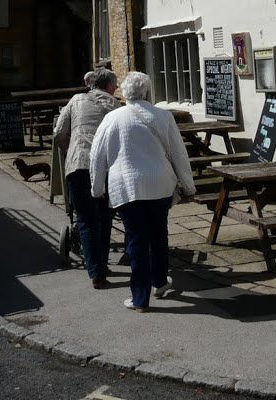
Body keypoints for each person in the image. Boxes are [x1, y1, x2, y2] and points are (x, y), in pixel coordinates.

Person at [89, 71, 196, 312]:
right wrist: (189, 187)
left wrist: (96, 189)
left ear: (124, 92)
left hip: (126, 186)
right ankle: (159, 281)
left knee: (136, 240)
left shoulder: (113, 118)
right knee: (159, 235)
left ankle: (140, 298)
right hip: (160, 185)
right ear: (147, 92)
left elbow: (97, 156)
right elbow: (179, 154)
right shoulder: (163, 116)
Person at [53, 68, 120, 289]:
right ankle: (101, 265)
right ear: (108, 86)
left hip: (78, 164)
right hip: (106, 167)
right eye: (115, 84)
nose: (117, 87)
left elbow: (59, 132)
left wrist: (69, 149)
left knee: (86, 220)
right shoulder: (115, 105)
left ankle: (96, 271)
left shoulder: (76, 99)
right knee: (105, 216)